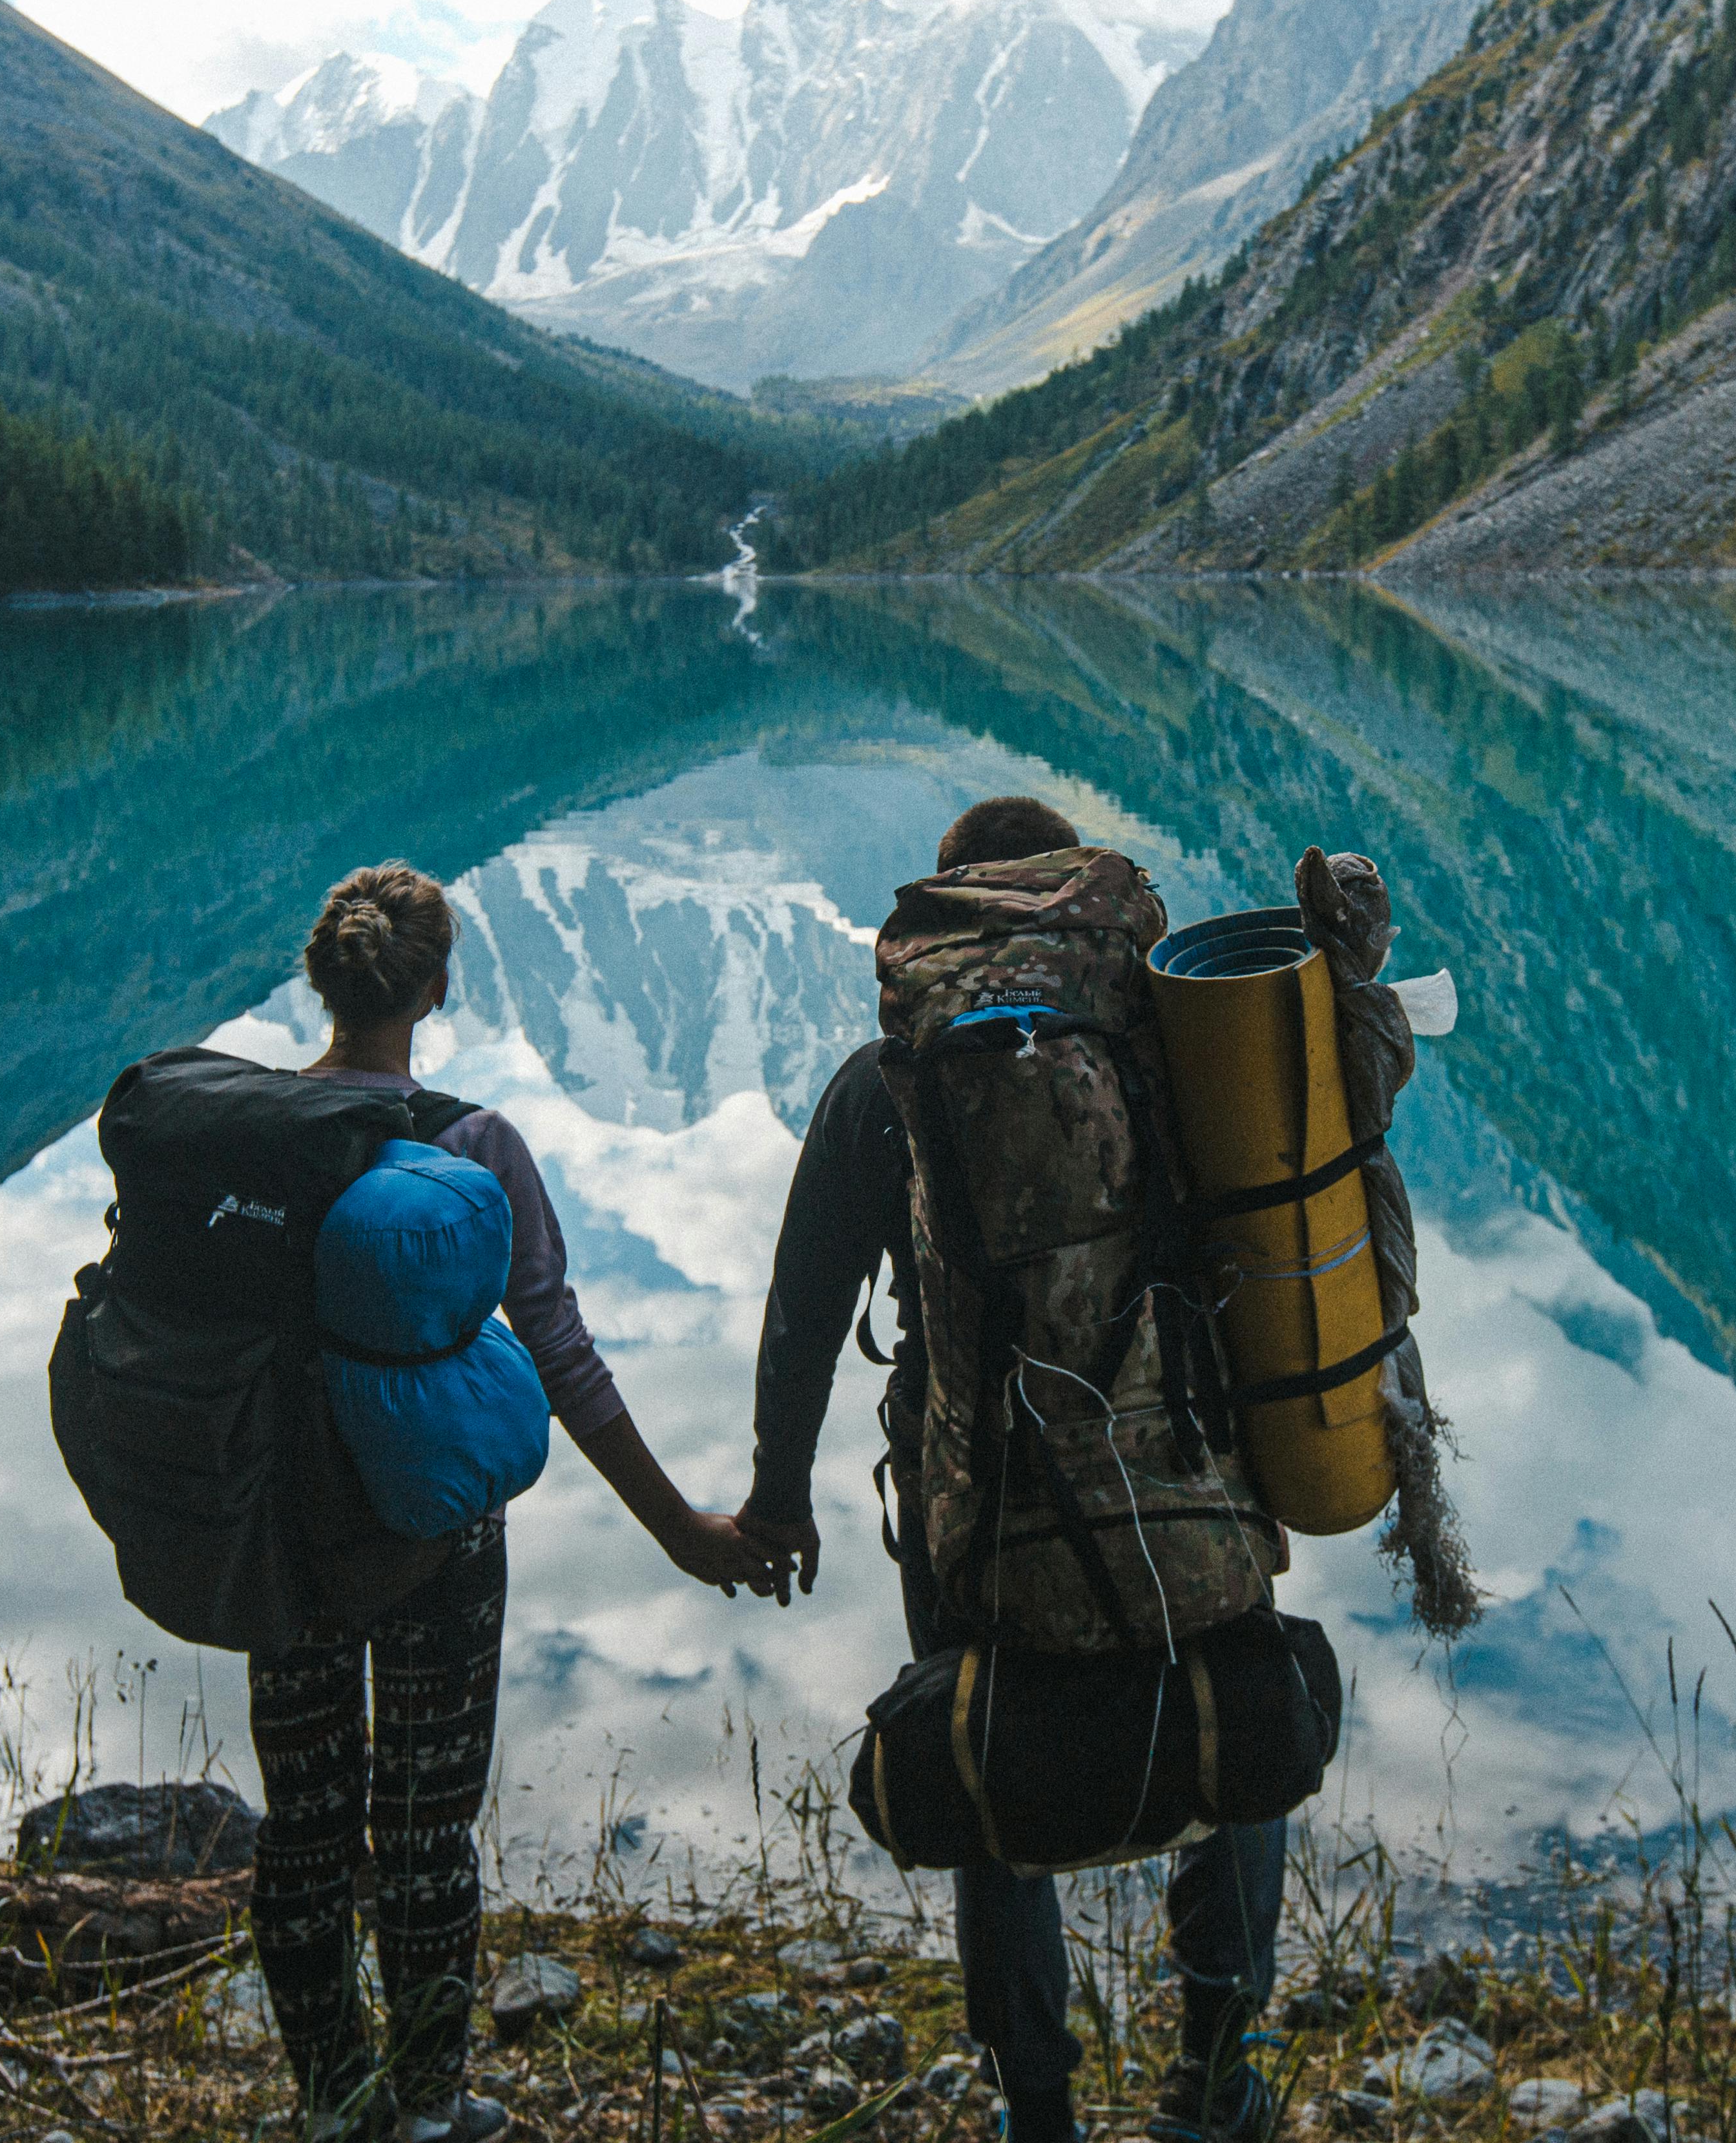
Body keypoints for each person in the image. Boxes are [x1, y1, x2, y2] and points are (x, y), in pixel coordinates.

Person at [739, 798, 1286, 2143]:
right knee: (1232, 1725)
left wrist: (775, 1493)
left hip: (974, 1494)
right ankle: (1213, 2074)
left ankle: (1033, 2106)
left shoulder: (889, 1083)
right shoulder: (1162, 1050)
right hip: (1182, 1465)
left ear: (942, 927)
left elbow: (803, 1311)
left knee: (989, 1766)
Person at [258, 863, 781, 2143]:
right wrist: (680, 1527)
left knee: (306, 1822)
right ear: (434, 990)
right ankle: (430, 2108)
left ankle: (334, 2104)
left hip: (288, 1524)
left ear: (318, 982)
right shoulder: (472, 1142)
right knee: (427, 1824)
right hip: (438, 1538)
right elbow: (556, 1348)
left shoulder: (250, 1129)